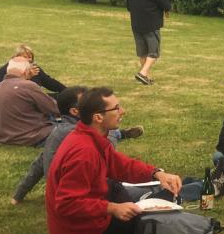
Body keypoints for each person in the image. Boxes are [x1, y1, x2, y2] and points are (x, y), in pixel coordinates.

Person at [45, 87, 183, 234]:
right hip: (81, 231)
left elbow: (121, 165)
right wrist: (112, 208)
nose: (122, 111)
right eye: (116, 108)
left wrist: (157, 174)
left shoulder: (90, 137)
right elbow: (67, 204)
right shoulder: (84, 153)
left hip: (84, 215)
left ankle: (150, 198)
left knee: (116, 188)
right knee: (148, 220)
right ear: (98, 117)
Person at [11, 85, 143, 204]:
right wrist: (108, 127)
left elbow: (40, 161)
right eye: (86, 101)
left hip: (64, 193)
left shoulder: (59, 132)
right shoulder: (78, 138)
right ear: (75, 111)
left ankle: (122, 134)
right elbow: (108, 159)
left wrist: (18, 194)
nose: (92, 101)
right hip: (77, 197)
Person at [0, 57, 60, 146]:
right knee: (68, 128)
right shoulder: (28, 86)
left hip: (3, 137)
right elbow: (53, 108)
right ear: (26, 72)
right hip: (29, 137)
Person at [127, 0, 171, 85]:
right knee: (154, 52)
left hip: (136, 24)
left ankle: (145, 77)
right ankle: (142, 73)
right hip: (151, 25)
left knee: (143, 52)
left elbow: (129, 7)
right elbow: (166, 5)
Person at [0, 44, 65, 93]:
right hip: (20, 100)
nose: (27, 60)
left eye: (29, 57)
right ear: (16, 57)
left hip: (35, 98)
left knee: (64, 96)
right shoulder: (5, 70)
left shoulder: (34, 69)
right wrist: (28, 77)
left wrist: (66, 91)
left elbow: (49, 82)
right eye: (24, 57)